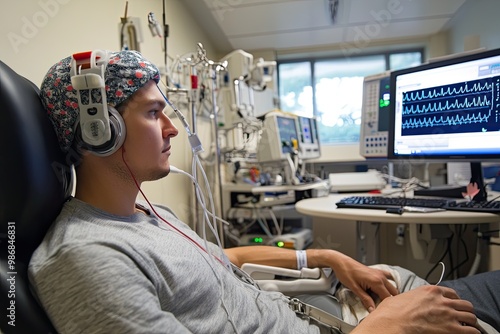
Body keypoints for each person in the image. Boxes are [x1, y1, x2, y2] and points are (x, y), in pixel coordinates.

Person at [28, 49, 500, 334]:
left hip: (347, 308)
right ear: (99, 131)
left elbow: (224, 260)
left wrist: (325, 259)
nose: (173, 128)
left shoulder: (152, 214)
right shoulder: (85, 258)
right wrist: (387, 325)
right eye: (154, 114)